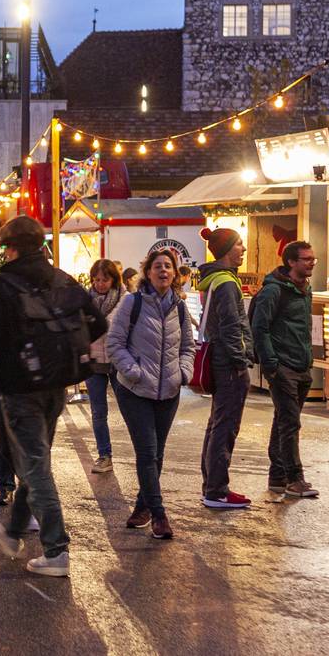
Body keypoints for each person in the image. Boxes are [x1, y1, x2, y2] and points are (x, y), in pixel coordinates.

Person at [0, 216, 107, 577]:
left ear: (10, 247)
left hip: (19, 387)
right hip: (57, 384)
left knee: (35, 465)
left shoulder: (2, 284)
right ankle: (13, 532)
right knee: (35, 461)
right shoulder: (60, 278)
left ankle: (57, 549)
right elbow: (99, 323)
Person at [109, 246, 197, 540]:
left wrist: (183, 372)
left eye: (168, 267)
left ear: (175, 274)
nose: (163, 271)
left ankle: (142, 507)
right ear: (147, 272)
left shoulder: (180, 307)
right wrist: (134, 371)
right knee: (146, 451)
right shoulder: (131, 303)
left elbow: (188, 346)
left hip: (168, 390)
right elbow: (115, 344)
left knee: (157, 453)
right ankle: (159, 515)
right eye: (158, 266)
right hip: (134, 389)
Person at [251, 240, 319, 503]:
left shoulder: (304, 289)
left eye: (313, 259)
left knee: (283, 419)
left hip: (301, 364)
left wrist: (307, 359)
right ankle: (294, 478)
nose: (311, 262)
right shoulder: (274, 291)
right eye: (306, 259)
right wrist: (271, 364)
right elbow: (260, 328)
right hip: (283, 366)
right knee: (290, 422)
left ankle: (277, 476)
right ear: (291, 262)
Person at [195, 229, 252, 510]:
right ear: (228, 248)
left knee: (217, 422)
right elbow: (232, 326)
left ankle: (211, 485)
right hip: (228, 362)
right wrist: (241, 360)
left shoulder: (211, 280)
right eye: (239, 244)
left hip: (217, 357)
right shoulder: (227, 283)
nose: (243, 248)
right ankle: (217, 489)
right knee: (226, 424)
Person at [83, 259, 126, 476]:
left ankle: (144, 453)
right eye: (96, 279)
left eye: (105, 279)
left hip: (118, 362)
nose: (100, 284)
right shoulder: (85, 299)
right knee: (98, 412)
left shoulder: (125, 299)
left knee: (131, 410)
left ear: (114, 280)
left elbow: (113, 324)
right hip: (94, 362)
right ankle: (104, 455)